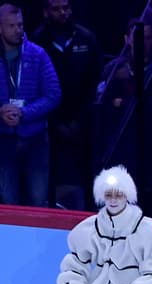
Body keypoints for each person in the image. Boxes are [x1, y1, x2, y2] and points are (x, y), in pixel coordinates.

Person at [31, 0, 101, 209]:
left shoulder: (86, 38)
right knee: (47, 172)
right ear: (45, 12)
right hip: (50, 119)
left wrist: (79, 118)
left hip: (82, 117)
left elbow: (94, 79)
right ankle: (50, 213)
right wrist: (56, 121)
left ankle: (92, 213)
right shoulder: (37, 41)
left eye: (66, 8)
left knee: (88, 171)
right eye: (56, 9)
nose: (63, 13)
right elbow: (35, 85)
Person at [0, 3, 60, 207]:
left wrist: (23, 113)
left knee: (37, 201)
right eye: (12, 26)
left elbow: (53, 95)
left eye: (20, 25)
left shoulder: (38, 54)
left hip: (36, 140)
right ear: (0, 28)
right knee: (8, 203)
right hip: (3, 141)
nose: (18, 30)